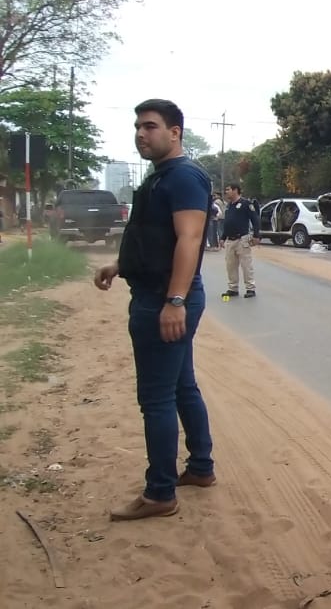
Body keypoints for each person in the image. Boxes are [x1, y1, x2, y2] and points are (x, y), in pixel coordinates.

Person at [93, 99, 217, 521]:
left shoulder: (182, 176)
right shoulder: (163, 176)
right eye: (137, 127)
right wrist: (120, 265)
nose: (141, 134)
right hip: (156, 291)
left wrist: (174, 301)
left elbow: (189, 239)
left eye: (150, 126)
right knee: (181, 385)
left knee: (157, 397)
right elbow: (156, 238)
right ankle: (200, 467)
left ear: (175, 132)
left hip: (164, 298)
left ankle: (160, 493)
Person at [219, 184, 259, 298]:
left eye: (228, 190)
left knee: (246, 265)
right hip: (230, 240)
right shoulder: (229, 206)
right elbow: (227, 223)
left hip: (242, 239)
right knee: (230, 265)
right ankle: (233, 288)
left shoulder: (246, 204)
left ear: (235, 190)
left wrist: (256, 235)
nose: (226, 192)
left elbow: (255, 219)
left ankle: (250, 288)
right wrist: (223, 237)